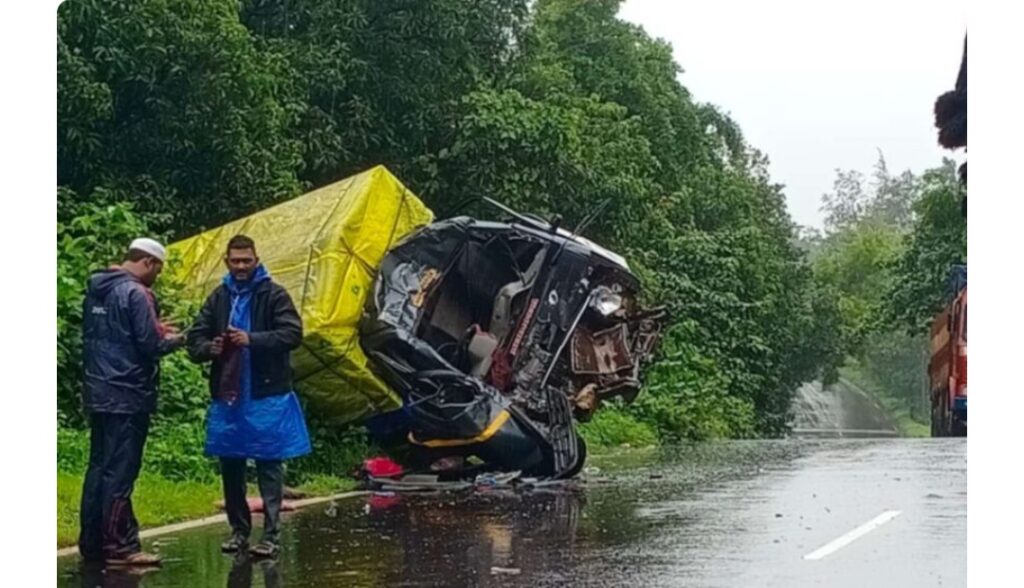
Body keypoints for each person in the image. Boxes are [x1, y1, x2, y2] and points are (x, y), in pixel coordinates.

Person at [187, 234, 311, 558]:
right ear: (227, 262)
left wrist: (251, 339)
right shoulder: (219, 297)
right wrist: (208, 348)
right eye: (235, 261)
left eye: (247, 261)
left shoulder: (274, 295)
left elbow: (292, 333)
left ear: (256, 260)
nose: (241, 266)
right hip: (228, 395)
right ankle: (239, 530)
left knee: (269, 464)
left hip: (265, 392)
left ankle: (270, 535)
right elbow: (196, 337)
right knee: (231, 464)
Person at [78, 238, 185, 567]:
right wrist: (182, 338)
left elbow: (115, 333)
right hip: (128, 395)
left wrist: (153, 330)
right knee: (121, 473)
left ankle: (92, 542)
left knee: (98, 469)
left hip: (98, 390)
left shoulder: (98, 288)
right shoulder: (137, 292)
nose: (157, 276)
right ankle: (120, 546)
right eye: (159, 270)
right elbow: (151, 346)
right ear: (150, 263)